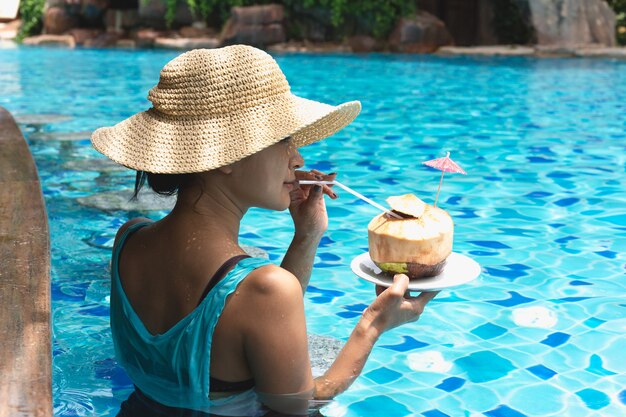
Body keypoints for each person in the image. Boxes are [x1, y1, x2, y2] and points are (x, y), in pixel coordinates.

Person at [91, 45, 438, 417]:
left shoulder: (129, 241)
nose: (298, 157)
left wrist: (307, 234)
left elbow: (255, 315)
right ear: (226, 155)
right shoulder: (265, 289)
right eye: (282, 140)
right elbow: (297, 405)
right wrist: (373, 325)